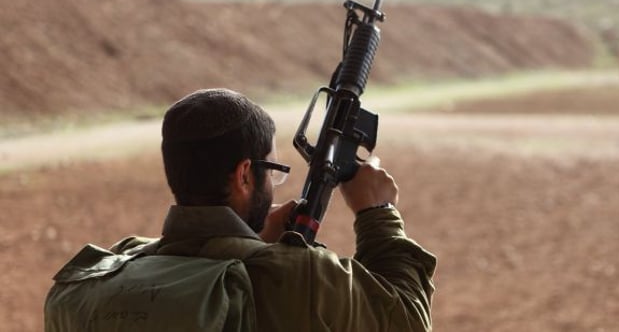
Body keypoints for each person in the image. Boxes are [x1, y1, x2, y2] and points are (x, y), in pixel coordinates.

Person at [45, 88, 436, 331]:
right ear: (245, 175)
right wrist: (377, 212)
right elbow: (409, 320)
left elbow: (193, 260)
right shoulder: (301, 279)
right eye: (271, 171)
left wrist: (249, 246)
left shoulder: (110, 267)